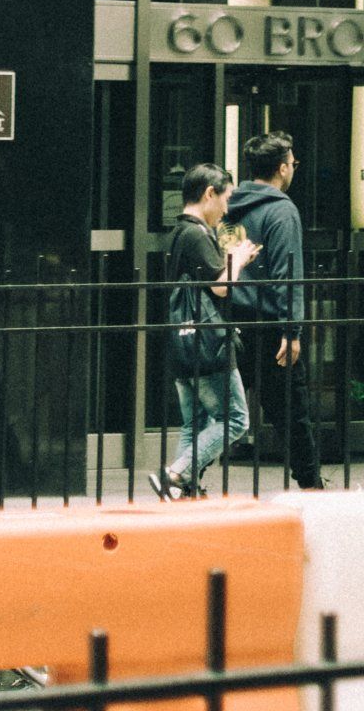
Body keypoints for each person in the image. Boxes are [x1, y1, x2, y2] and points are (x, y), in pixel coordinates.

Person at [227, 132, 324, 492]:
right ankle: (311, 485)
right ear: (283, 168)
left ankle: (186, 475)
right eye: (293, 163)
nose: (293, 168)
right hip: (270, 325)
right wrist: (292, 330)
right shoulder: (282, 209)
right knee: (292, 413)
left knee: (225, 410)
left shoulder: (231, 206)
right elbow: (288, 273)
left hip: (234, 320)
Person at [152, 162, 255, 500]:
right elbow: (222, 287)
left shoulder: (177, 233)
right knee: (236, 420)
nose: (226, 208)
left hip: (183, 344)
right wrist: (238, 258)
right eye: (225, 198)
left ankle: (184, 491)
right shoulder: (196, 234)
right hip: (208, 347)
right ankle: (175, 474)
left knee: (193, 424)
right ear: (209, 193)